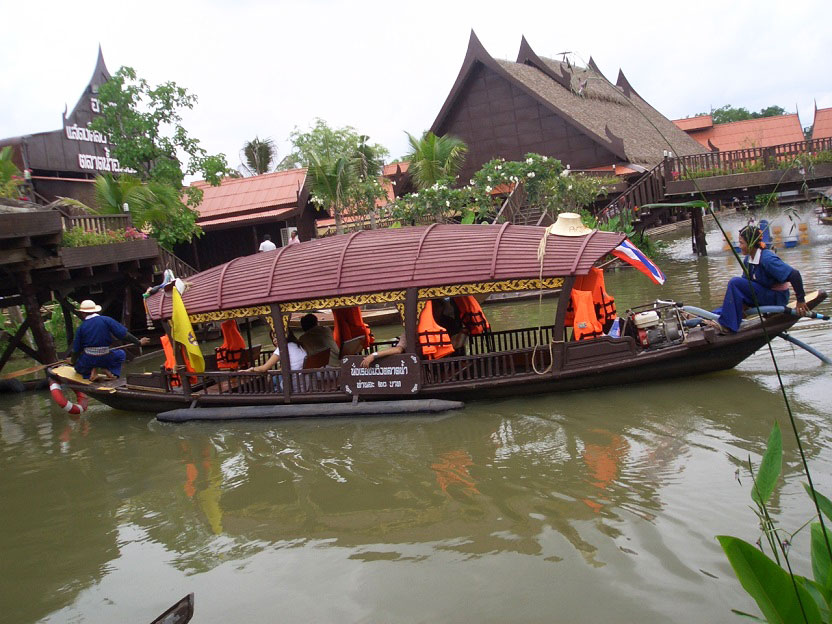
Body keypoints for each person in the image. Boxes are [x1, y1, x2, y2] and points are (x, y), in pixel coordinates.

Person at [712, 225, 808, 332]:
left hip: (776, 298)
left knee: (734, 282)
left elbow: (794, 274)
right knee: (729, 304)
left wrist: (800, 300)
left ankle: (728, 325)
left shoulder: (767, 259)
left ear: (751, 243)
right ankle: (708, 317)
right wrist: (743, 306)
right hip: (762, 294)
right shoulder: (748, 260)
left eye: (742, 243)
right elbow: (744, 287)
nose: (739, 246)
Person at [72, 299, 150, 380]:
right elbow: (124, 334)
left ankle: (92, 372)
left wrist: (73, 362)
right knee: (121, 354)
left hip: (89, 359)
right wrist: (138, 342)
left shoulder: (81, 327)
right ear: (96, 311)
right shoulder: (107, 320)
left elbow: (76, 349)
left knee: (78, 368)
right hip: (105, 357)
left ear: (83, 313)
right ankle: (113, 373)